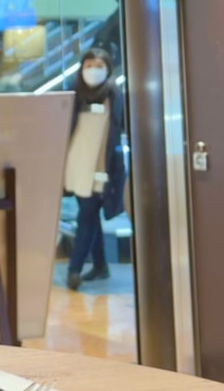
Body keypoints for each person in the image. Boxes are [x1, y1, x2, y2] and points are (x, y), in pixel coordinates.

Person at [65, 47, 127, 290]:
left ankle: (74, 269)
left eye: (99, 66)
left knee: (86, 216)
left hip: (101, 167)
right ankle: (100, 265)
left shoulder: (114, 95)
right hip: (76, 164)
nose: (93, 70)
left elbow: (116, 132)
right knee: (89, 215)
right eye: (89, 65)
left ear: (108, 69)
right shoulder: (73, 94)